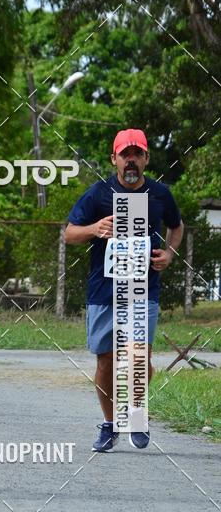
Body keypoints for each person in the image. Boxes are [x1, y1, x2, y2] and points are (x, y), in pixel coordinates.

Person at [65, 128, 183, 452]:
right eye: (125, 154)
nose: (131, 160)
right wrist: (95, 228)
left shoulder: (159, 194)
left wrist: (169, 254)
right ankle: (109, 423)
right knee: (106, 361)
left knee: (139, 356)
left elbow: (177, 225)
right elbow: (69, 233)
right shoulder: (99, 193)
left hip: (144, 289)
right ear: (113, 159)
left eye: (137, 154)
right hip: (104, 289)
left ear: (146, 159)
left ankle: (136, 414)